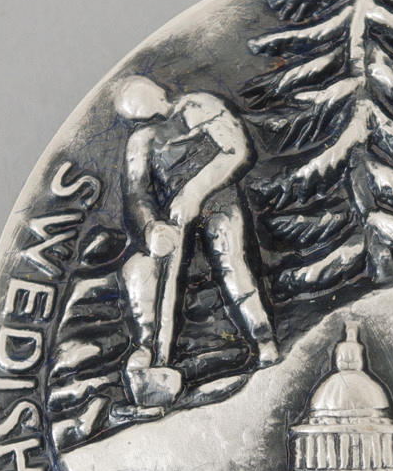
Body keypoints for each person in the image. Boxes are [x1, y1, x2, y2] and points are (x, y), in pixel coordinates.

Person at [114, 75, 278, 406]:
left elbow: (237, 151)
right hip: (173, 218)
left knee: (233, 266)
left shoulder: (201, 106)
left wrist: (195, 191)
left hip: (219, 201)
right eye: (141, 117)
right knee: (155, 275)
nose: (153, 118)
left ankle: (264, 341)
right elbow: (137, 193)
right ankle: (154, 354)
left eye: (151, 108)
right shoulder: (140, 142)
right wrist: (152, 228)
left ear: (160, 93)